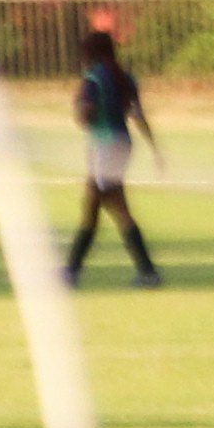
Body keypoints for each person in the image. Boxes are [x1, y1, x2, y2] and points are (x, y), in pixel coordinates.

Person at [65, 27, 166, 284]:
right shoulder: (125, 77)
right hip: (123, 144)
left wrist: (80, 110)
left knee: (113, 208)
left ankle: (147, 272)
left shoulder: (93, 79)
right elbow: (138, 115)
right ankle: (72, 270)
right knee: (95, 207)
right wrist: (155, 149)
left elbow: (85, 114)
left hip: (103, 147)